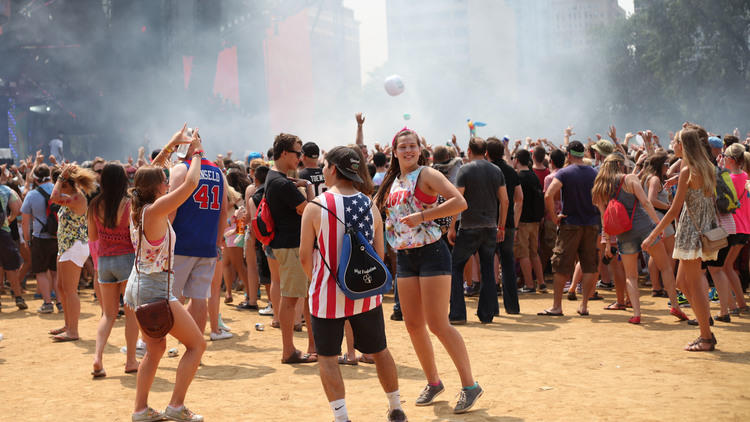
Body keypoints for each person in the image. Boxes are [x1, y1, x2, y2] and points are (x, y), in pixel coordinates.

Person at [375, 128, 483, 414]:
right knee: (413, 325)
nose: (408, 151)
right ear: (394, 152)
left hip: (432, 253)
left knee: (437, 323)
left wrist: (423, 216)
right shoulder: (391, 181)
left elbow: (460, 202)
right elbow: (378, 213)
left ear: (420, 150)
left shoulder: (427, 174)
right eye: (403, 147)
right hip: (406, 257)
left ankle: (470, 386)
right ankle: (433, 382)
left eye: (413, 146)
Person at [299, 146, 407, 422]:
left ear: (333, 169)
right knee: (380, 351)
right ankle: (396, 407)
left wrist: (318, 282)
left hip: (326, 294)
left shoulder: (316, 206)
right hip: (365, 293)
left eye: (325, 165)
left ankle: (342, 416)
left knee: (327, 358)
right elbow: (379, 254)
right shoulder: (370, 205)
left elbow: (304, 256)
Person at [125, 126, 206, 421]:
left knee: (155, 350)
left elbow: (149, 172)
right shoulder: (156, 210)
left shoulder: (139, 205)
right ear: (159, 186)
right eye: (165, 180)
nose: (168, 181)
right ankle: (175, 406)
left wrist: (173, 145)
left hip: (140, 284)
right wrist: (196, 151)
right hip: (154, 287)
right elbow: (191, 182)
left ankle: (140, 409)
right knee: (197, 345)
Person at [642, 128, 717, 351]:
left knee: (692, 286)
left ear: (683, 146)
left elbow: (674, 211)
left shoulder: (688, 170)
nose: (673, 145)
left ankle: (705, 336)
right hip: (701, 229)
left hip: (690, 233)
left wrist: (653, 235)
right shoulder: (706, 167)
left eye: (675, 141)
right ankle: (706, 330)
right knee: (682, 284)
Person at [591, 154, 685, 324]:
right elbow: (646, 203)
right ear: (620, 165)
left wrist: (607, 242)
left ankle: (636, 313)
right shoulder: (630, 179)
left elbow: (605, 217)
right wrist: (658, 226)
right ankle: (675, 306)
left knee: (631, 275)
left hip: (623, 233)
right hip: (644, 228)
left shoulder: (601, 186)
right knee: (665, 267)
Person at [169, 129, 228, 338]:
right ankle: (195, 347)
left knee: (167, 299)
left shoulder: (180, 170)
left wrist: (162, 241)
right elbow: (223, 212)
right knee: (198, 299)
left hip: (180, 245)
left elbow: (171, 210)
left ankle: (148, 344)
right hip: (207, 246)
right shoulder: (218, 172)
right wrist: (218, 242)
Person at [265, 133, 317, 364]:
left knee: (301, 296)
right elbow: (310, 210)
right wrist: (308, 187)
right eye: (297, 153)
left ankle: (310, 346)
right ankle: (288, 350)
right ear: (284, 153)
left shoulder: (276, 178)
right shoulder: (281, 183)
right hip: (292, 245)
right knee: (291, 298)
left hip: (290, 245)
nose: (300, 157)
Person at [447, 137, 507, 324]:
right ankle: (486, 314)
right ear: (486, 151)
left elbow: (457, 200)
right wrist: (501, 225)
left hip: (469, 226)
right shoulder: (496, 170)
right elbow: (505, 201)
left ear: (469, 151)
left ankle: (457, 314)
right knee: (488, 269)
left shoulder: (465, 169)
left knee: (456, 267)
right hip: (490, 226)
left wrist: (451, 227)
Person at [89, 163, 139, 375]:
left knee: (107, 315)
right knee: (131, 315)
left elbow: (92, 237)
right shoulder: (129, 204)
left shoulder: (94, 204)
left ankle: (98, 357)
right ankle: (130, 361)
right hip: (127, 259)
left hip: (105, 262)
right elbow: (136, 235)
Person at [539, 141, 599, 317]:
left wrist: (554, 215)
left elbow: (549, 194)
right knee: (589, 266)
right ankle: (584, 305)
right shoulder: (594, 172)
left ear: (569, 154)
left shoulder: (565, 172)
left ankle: (557, 306)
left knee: (561, 265)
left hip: (570, 223)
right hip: (591, 223)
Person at [46, 164, 96, 342]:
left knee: (70, 290)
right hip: (67, 246)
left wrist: (60, 178)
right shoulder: (72, 195)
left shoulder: (76, 197)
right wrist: (63, 175)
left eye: (59, 183)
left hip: (74, 247)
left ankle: (73, 331)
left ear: (64, 183)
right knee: (61, 288)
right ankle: (68, 325)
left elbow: (53, 197)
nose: (57, 186)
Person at [486, 137, 522, 314]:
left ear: (487, 153)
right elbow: (519, 198)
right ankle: (512, 307)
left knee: (487, 263)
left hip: (488, 223)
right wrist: (514, 224)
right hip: (507, 225)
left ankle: (491, 308)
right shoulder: (510, 170)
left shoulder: (487, 171)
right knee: (508, 264)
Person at [21, 164, 58, 314]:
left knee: (41, 272)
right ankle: (61, 303)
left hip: (40, 237)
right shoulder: (58, 189)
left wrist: (28, 240)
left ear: (35, 179)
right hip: (58, 236)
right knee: (56, 272)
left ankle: (47, 303)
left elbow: (25, 221)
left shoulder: (31, 195)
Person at [514, 149, 547, 294]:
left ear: (517, 160)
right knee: (534, 253)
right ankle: (541, 282)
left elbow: (518, 202)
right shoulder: (534, 176)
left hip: (523, 221)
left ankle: (529, 284)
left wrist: (514, 225)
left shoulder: (519, 177)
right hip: (535, 220)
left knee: (523, 254)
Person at [0, 176, 26, 310]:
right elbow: (18, 209)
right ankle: (18, 297)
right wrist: (9, 220)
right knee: (10, 267)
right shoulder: (6, 190)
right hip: (3, 232)